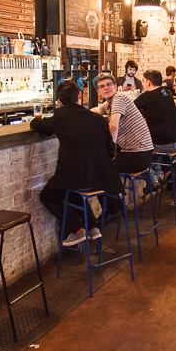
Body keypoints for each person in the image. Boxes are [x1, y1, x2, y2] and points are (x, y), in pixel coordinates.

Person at [31, 81, 122, 246]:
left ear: (59, 101)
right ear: (79, 96)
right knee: (72, 190)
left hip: (75, 178)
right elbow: (111, 149)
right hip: (102, 179)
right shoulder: (98, 119)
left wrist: (35, 120)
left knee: (48, 195)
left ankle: (77, 229)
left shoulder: (60, 116)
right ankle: (92, 227)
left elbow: (38, 125)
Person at [92, 72, 153, 175]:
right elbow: (95, 110)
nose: (106, 88)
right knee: (100, 162)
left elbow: (113, 126)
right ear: (98, 92)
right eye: (102, 86)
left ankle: (109, 186)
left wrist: (109, 151)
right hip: (138, 153)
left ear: (115, 86)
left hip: (138, 155)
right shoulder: (110, 103)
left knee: (99, 166)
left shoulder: (119, 98)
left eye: (109, 84)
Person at [134, 69, 176, 184]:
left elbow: (129, 108)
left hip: (164, 144)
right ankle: (158, 175)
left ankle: (152, 180)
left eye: (143, 81)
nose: (143, 83)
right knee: (153, 143)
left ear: (149, 82)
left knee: (138, 149)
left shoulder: (146, 96)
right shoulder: (168, 93)